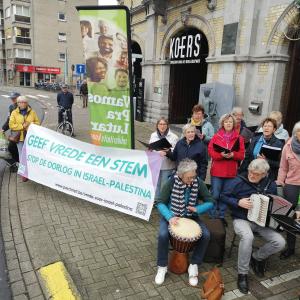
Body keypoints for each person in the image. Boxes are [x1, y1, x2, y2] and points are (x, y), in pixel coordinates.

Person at [221, 159, 285, 294]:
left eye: (256, 173)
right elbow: (223, 196)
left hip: (262, 223)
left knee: (280, 242)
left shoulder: (270, 185)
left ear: (264, 174)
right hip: (242, 219)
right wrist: (238, 202)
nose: (251, 175)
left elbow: (275, 204)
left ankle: (256, 257)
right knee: (248, 237)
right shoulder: (238, 181)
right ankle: (242, 273)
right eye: (250, 171)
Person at [155, 158, 214, 286]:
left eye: (194, 176)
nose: (192, 180)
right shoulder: (171, 182)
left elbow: (210, 201)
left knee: (206, 235)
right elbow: (160, 202)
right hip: (172, 216)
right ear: (180, 175)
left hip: (191, 217)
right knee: (162, 235)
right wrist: (169, 217)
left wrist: (198, 209)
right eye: (189, 177)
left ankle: (194, 265)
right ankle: (162, 266)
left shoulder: (198, 182)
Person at [208, 113, 245, 225]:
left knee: (226, 195)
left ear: (233, 123)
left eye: (230, 122)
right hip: (217, 171)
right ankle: (213, 214)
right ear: (222, 124)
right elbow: (211, 152)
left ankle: (221, 215)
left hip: (231, 172)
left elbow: (242, 155)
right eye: (226, 122)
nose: (228, 123)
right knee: (215, 194)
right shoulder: (216, 136)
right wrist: (221, 155)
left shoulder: (239, 138)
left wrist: (233, 154)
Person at [277, 121, 300, 259]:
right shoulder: (288, 146)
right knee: (290, 216)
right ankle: (290, 247)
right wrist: (280, 182)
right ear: (295, 132)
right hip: (291, 184)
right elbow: (283, 167)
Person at [9, 96, 40, 182]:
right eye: (21, 102)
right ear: (18, 103)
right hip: (20, 138)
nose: (23, 104)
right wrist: (22, 126)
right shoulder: (14, 113)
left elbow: (38, 123)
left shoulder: (32, 112)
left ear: (27, 103)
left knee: (30, 155)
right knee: (21, 155)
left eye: (24, 102)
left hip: (30, 138)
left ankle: (31, 171)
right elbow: (11, 125)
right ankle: (23, 173)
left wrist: (31, 124)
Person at [149, 118, 178, 201]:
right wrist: (155, 151)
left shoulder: (174, 137)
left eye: (164, 124)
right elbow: (151, 148)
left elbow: (175, 150)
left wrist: (167, 152)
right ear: (157, 125)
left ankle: (163, 201)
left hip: (167, 165)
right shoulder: (153, 135)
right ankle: (156, 200)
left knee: (165, 185)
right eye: (160, 124)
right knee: (156, 184)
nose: (162, 126)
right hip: (156, 164)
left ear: (167, 125)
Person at [1, 92, 21, 170]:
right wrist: (3, 129)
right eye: (12, 98)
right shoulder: (11, 107)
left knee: (15, 148)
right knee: (12, 148)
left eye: (14, 98)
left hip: (23, 132)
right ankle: (16, 164)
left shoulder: (25, 106)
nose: (13, 99)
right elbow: (9, 120)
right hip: (15, 132)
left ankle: (18, 164)